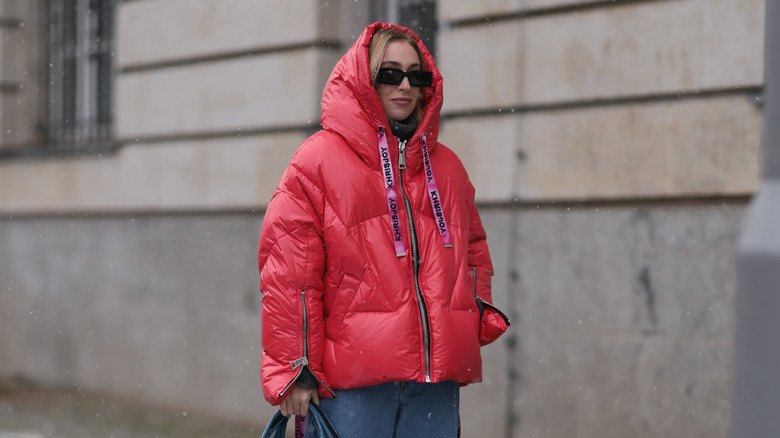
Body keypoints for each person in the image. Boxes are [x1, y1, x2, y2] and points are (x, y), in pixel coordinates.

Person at [257, 22, 510, 437]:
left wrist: (472, 311)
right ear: (365, 79)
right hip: (354, 385)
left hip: (433, 382)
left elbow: (473, 248)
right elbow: (289, 272)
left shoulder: (447, 166)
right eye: (389, 73)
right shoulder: (317, 160)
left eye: (417, 75)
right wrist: (296, 365)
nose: (405, 85)